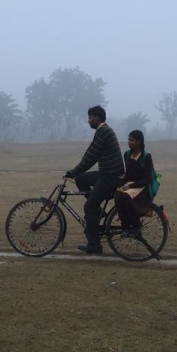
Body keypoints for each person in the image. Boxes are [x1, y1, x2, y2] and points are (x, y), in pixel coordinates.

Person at [64, 105, 125, 254]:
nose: (88, 120)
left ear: (97, 118)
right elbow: (91, 154)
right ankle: (98, 211)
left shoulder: (103, 132)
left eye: (90, 118)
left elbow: (90, 157)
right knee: (81, 179)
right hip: (107, 174)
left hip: (111, 177)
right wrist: (76, 173)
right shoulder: (104, 131)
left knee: (88, 207)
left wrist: (72, 171)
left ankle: (94, 245)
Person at [114, 130, 154, 234]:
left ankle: (136, 224)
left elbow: (147, 179)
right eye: (128, 139)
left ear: (139, 142)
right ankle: (125, 226)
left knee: (125, 196)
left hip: (141, 186)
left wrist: (130, 186)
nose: (128, 142)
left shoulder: (146, 156)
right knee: (117, 196)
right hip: (130, 185)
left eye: (131, 140)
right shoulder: (127, 154)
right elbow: (128, 174)